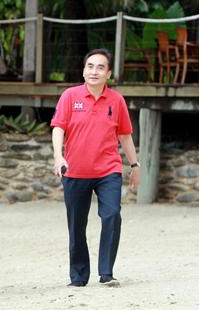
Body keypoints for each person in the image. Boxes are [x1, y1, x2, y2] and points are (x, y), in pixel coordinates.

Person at [50, 48, 141, 288]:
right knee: (76, 225)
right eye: (90, 66)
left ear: (108, 73)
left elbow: (125, 135)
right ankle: (78, 277)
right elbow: (58, 127)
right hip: (75, 171)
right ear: (83, 71)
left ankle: (106, 273)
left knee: (112, 215)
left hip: (108, 171)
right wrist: (59, 156)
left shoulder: (116, 100)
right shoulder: (70, 96)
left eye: (100, 67)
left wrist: (134, 164)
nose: (94, 71)